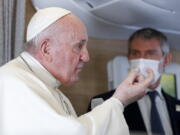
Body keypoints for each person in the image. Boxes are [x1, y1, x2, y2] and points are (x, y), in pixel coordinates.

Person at [0, 7, 154, 135]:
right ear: (47, 49)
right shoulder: (12, 82)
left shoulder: (50, 89)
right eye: (78, 46)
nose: (86, 56)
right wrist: (119, 100)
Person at [88, 28, 180, 135]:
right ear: (128, 58)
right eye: (135, 53)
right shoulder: (103, 102)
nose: (141, 60)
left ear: (166, 60)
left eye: (150, 53)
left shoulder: (177, 105)